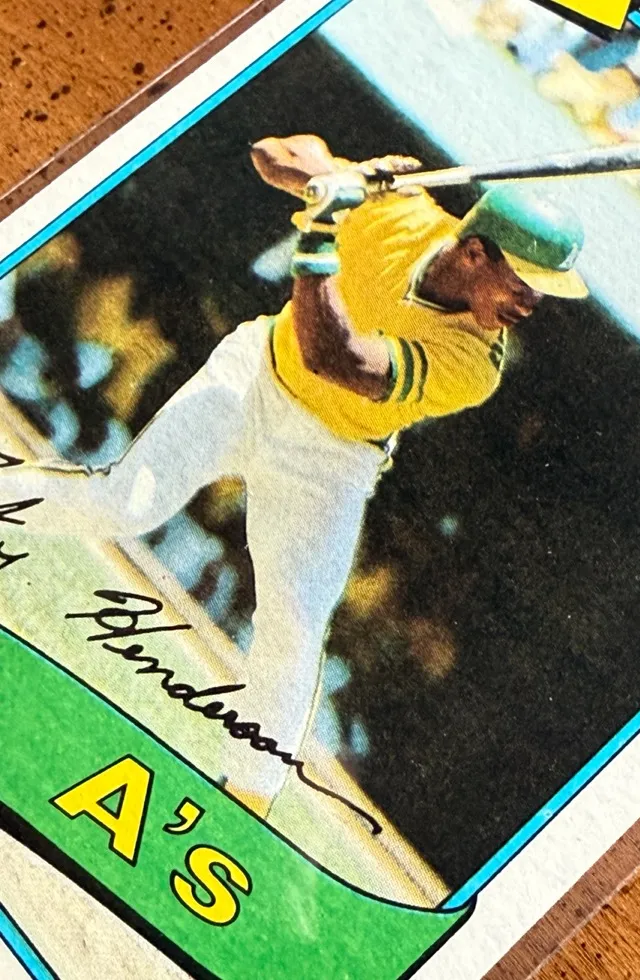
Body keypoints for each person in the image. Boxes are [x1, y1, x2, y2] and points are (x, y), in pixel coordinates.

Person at [0, 134, 588, 818]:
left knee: (295, 626)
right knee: (121, 504)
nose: (529, 303)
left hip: (332, 455)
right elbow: (271, 151)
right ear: (475, 252)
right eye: (523, 282)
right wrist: (333, 180)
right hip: (254, 378)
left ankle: (248, 799)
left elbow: (337, 358)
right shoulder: (397, 211)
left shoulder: (478, 362)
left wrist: (320, 232)